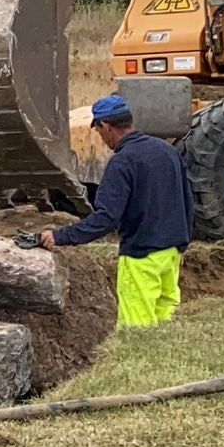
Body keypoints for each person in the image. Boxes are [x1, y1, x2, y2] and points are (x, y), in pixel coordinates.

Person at [40, 94, 195, 328]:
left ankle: (140, 364)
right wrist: (182, 241)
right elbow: (187, 199)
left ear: (106, 126)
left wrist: (60, 236)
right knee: (165, 325)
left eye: (99, 131)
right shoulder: (167, 151)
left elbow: (106, 217)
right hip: (171, 253)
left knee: (137, 328)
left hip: (141, 257)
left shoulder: (122, 162)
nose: (101, 138)